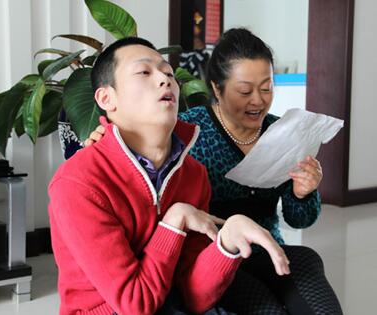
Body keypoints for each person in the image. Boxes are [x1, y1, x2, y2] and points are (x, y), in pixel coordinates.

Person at [82, 29, 343, 315]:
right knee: (267, 306)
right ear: (217, 89)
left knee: (308, 267)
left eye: (266, 88)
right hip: (210, 259)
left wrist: (303, 192)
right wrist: (106, 138)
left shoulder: (283, 132)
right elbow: (136, 147)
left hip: (265, 250)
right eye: (244, 91)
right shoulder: (185, 133)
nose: (257, 100)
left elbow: (300, 219)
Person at [49, 36, 290, 315]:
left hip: (169, 302)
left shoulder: (193, 174)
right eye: (144, 72)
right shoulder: (79, 182)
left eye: (168, 73)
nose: (164, 79)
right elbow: (135, 305)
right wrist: (175, 220)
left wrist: (226, 243)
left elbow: (193, 297)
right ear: (107, 98)